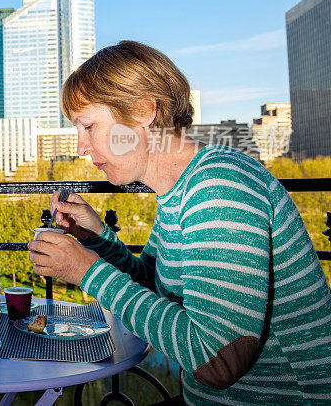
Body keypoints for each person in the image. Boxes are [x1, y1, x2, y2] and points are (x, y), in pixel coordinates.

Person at [26, 41, 331, 405]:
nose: (81, 147)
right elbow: (157, 288)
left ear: (144, 111)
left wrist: (86, 271)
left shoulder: (220, 187)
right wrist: (96, 239)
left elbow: (216, 362)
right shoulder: (182, 188)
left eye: (88, 126)